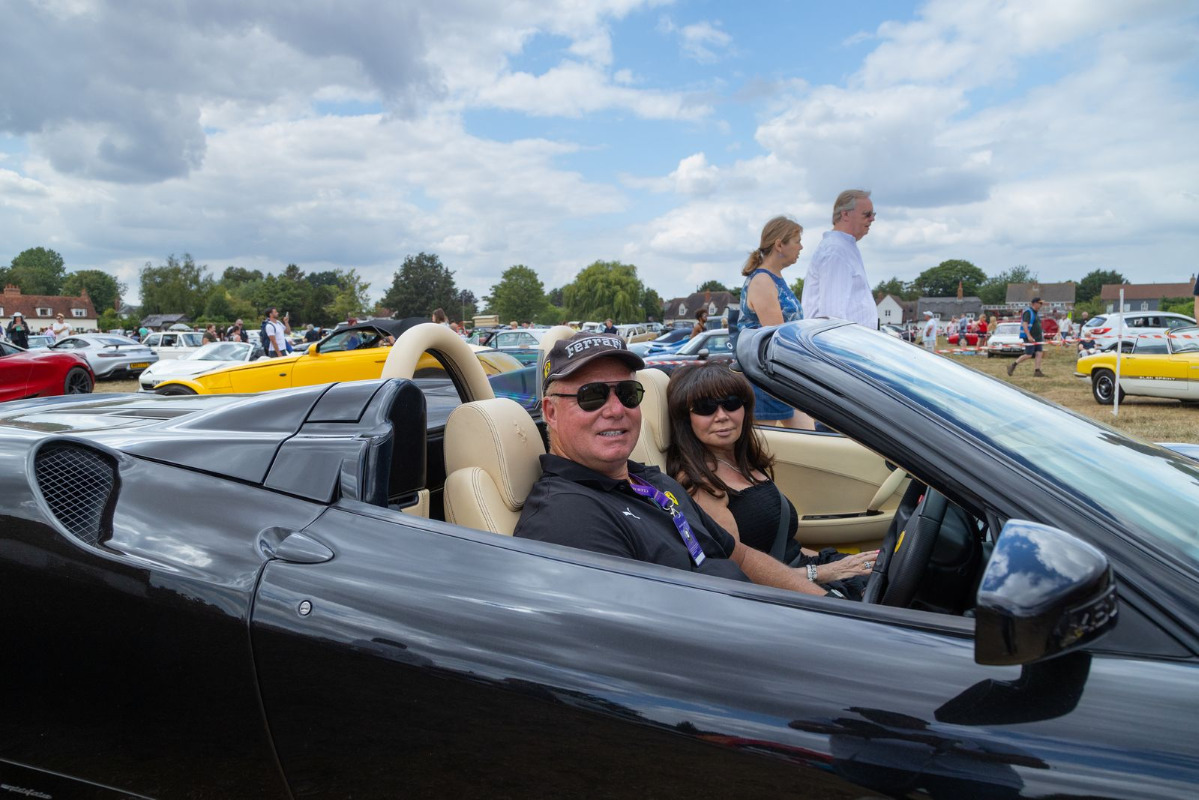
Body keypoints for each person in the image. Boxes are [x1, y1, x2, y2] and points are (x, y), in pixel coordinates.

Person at [514, 332, 841, 596]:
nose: (615, 410)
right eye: (592, 395)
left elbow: (739, 556)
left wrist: (826, 605)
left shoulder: (650, 481)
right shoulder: (567, 517)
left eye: (627, 394)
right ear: (551, 412)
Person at [665, 362, 877, 598]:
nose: (722, 416)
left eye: (731, 403)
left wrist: (840, 563)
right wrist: (826, 572)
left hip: (802, 571)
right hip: (785, 591)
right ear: (686, 418)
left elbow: (788, 548)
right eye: (706, 408)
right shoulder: (700, 484)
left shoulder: (744, 463)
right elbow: (737, 572)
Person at [738, 215, 815, 430]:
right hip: (766, 377)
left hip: (778, 374)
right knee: (765, 442)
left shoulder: (772, 278)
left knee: (807, 438)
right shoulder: (763, 281)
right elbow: (778, 336)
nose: (801, 247)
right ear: (779, 245)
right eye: (797, 241)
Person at [801, 189, 877, 329]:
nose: (872, 219)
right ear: (845, 214)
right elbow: (832, 315)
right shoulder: (836, 251)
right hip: (844, 339)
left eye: (873, 214)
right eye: (867, 214)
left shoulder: (844, 247)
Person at [1008, 297, 1046, 377]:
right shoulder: (1028, 312)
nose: (1041, 305)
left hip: (1038, 337)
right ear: (1034, 303)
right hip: (1030, 337)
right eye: (1040, 303)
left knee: (1039, 353)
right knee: (1029, 354)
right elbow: (1025, 324)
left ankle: (1037, 371)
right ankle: (1013, 365)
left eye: (1041, 303)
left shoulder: (1036, 313)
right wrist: (1029, 336)